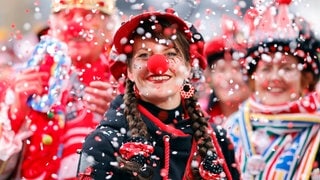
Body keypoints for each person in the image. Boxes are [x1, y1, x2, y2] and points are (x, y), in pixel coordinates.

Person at [77, 9, 240, 179]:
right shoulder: (105, 143)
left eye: (170, 53)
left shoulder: (217, 140)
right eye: (144, 55)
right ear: (130, 72)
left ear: (188, 67)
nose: (158, 65)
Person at [0, 0, 120, 179]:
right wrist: (17, 112)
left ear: (109, 29)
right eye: (67, 15)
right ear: (52, 27)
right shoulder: (20, 82)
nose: (76, 26)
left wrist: (121, 118)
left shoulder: (127, 84)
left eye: (89, 15)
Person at [227, 0, 320, 179]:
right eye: (266, 69)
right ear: (253, 79)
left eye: (286, 68)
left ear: (305, 79)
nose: (275, 78)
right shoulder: (229, 130)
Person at [202, 16, 250, 125]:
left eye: (237, 68)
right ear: (209, 78)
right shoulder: (198, 120)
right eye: (221, 70)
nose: (229, 77)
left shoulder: (267, 119)